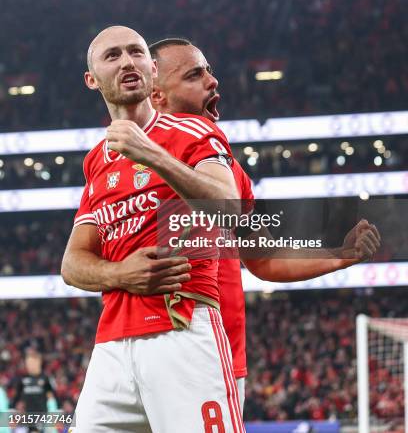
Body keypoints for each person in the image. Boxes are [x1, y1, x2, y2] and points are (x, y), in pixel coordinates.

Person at [147, 37, 381, 410]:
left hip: (213, 361)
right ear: (156, 95)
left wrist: (340, 254)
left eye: (210, 71)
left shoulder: (229, 172)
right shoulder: (122, 166)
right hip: (134, 353)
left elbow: (264, 260)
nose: (213, 81)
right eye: (195, 75)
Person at [62, 25, 245, 433]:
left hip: (182, 326)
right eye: (112, 56)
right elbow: (72, 264)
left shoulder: (195, 131)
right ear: (92, 80)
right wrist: (118, 273)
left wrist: (151, 153)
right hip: (111, 343)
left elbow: (231, 209)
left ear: (151, 68)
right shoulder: (97, 161)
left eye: (136, 52)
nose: (127, 61)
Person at [11, 350, 57, 433]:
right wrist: (12, 412)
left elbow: (51, 398)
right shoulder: (23, 380)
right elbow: (16, 397)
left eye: (32, 362)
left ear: (39, 362)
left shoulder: (45, 379)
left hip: (42, 416)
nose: (30, 365)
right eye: (28, 363)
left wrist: (52, 416)